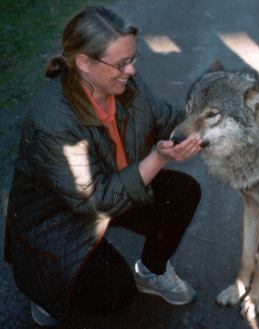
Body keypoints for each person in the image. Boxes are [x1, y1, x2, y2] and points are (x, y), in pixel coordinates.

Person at [3, 5, 202, 327]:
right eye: (122, 63)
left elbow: (167, 119)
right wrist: (158, 158)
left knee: (183, 192)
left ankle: (151, 271)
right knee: (111, 293)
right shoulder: (52, 121)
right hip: (61, 218)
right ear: (84, 62)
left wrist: (214, 128)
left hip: (114, 186)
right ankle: (44, 295)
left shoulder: (121, 84)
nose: (132, 71)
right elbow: (97, 202)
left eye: (133, 59)